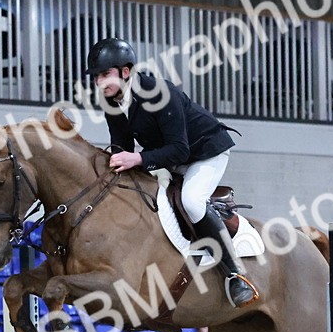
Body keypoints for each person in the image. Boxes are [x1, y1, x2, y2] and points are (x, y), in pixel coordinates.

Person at [85, 37, 260, 308]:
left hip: (204, 153)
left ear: (126, 71)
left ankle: (235, 274)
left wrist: (138, 158)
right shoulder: (112, 101)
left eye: (105, 74)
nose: (99, 82)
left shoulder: (157, 92)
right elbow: (122, 146)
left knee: (191, 201)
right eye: (96, 77)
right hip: (167, 159)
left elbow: (178, 149)